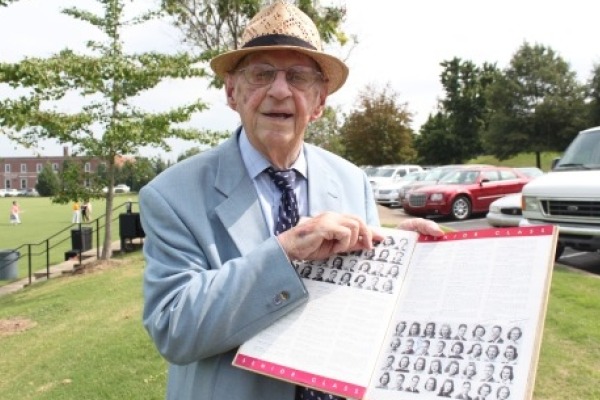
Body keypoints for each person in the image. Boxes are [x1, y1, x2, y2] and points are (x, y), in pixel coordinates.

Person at [139, 2, 444, 399]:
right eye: (261, 74)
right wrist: (285, 252)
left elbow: (362, 304)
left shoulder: (351, 179)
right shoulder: (172, 194)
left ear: (319, 103)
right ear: (233, 92)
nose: (280, 90)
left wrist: (397, 252)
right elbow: (173, 329)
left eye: (298, 77)